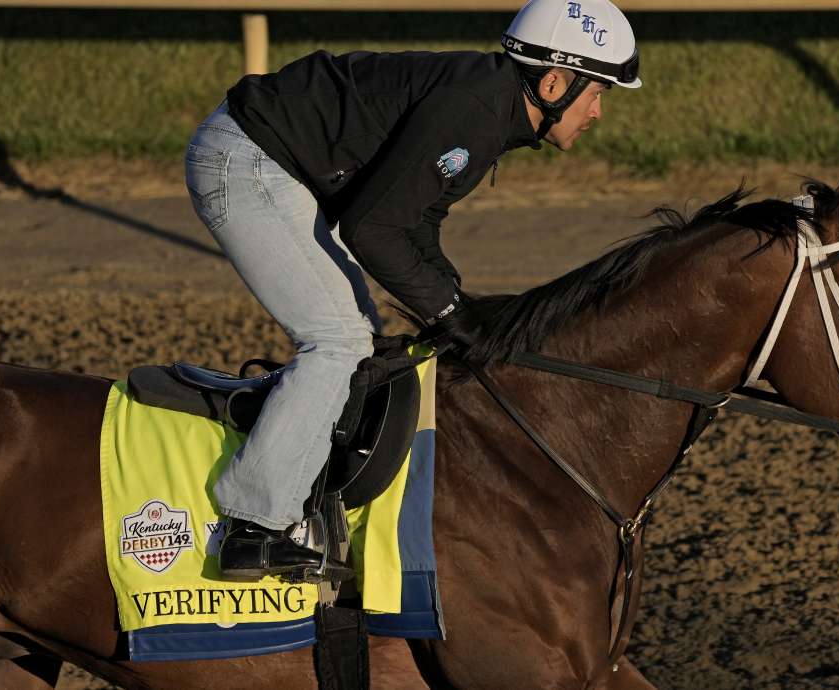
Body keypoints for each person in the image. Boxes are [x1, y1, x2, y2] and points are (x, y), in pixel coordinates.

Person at [184, 0, 641, 580]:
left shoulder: (491, 107)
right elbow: (373, 228)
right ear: (553, 82)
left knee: (356, 334)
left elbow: (414, 221)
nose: (599, 111)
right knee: (337, 338)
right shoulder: (475, 109)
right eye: (597, 92)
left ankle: (296, 468)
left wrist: (457, 305)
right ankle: (253, 526)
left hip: (274, 160)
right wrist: (452, 313)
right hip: (247, 159)